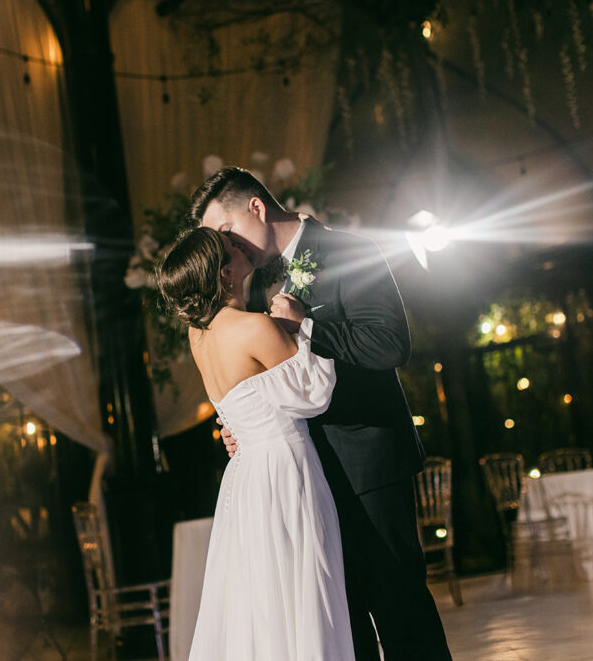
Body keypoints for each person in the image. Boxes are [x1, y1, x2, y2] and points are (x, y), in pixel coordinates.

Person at [188, 167, 451, 660]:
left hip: (368, 467)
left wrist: (308, 325)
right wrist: (242, 426)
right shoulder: (254, 280)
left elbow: (391, 344)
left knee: (401, 614)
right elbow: (264, 373)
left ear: (257, 209)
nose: (225, 249)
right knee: (339, 629)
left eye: (225, 233)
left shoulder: (350, 249)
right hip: (306, 482)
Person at [157, 226, 354, 660]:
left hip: (247, 478)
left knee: (263, 599)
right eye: (233, 249)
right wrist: (301, 324)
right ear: (225, 273)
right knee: (302, 588)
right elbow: (314, 393)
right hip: (286, 471)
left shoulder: (199, 336)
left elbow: (245, 402)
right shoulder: (253, 327)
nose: (243, 248)